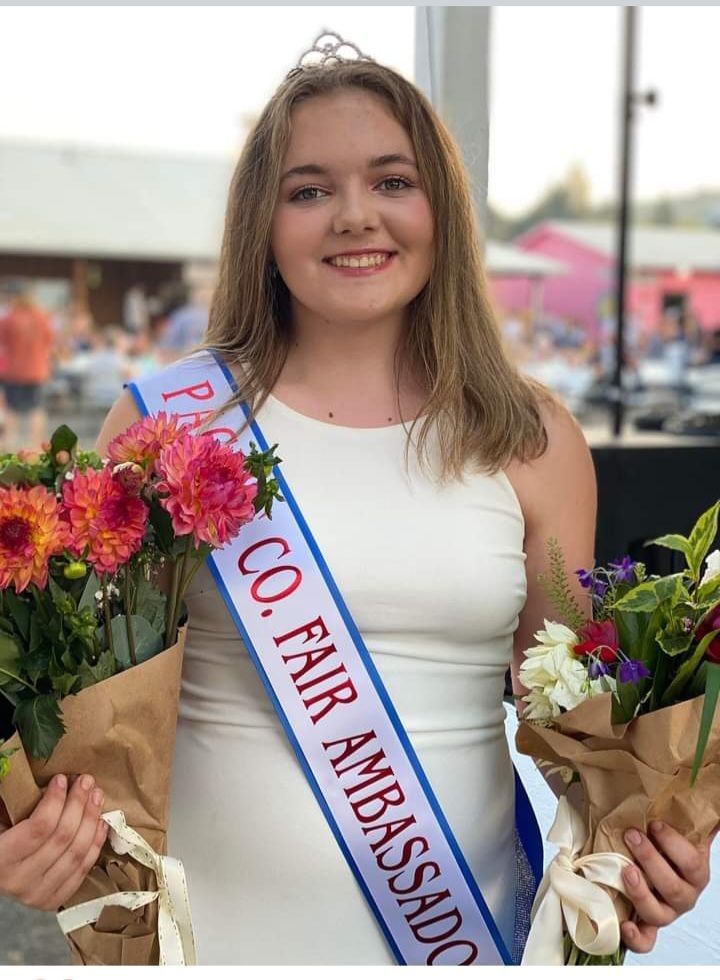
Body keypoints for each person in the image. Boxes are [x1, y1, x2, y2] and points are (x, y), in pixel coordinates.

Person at [0, 41, 714, 966]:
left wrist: (649, 848)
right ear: (263, 220)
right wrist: (28, 834)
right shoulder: (162, 423)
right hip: (207, 946)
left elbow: (578, 731)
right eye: (307, 190)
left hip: (457, 937)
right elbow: (71, 712)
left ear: (441, 210)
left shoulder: (532, 438)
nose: (353, 216)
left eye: (392, 180)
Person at [0, 281, 55, 452]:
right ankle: (36, 444)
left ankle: (8, 442)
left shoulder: (9, 318)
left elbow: (3, 341)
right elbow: (49, 340)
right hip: (37, 370)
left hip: (14, 370)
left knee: (11, 408)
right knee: (36, 408)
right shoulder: (41, 317)